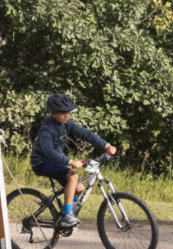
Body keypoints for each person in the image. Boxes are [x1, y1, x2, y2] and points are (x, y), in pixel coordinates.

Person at [30, 93, 117, 227]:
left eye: (68, 113)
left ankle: (65, 216)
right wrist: (70, 161)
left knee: (79, 187)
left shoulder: (66, 124)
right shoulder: (46, 129)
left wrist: (106, 145)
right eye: (63, 113)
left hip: (55, 161)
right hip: (42, 162)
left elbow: (86, 134)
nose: (67, 116)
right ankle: (67, 215)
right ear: (53, 113)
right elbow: (49, 152)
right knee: (73, 176)